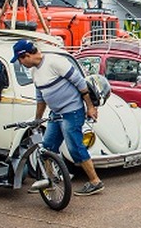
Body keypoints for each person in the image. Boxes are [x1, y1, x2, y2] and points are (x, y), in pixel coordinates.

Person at [10, 39, 104, 196]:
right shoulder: (34, 72)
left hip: (72, 111)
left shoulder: (54, 62)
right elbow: (41, 97)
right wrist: (37, 119)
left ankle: (95, 182)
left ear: (26, 55)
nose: (20, 63)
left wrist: (90, 106)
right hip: (56, 113)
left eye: (20, 60)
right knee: (47, 147)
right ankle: (50, 180)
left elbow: (80, 83)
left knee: (75, 146)